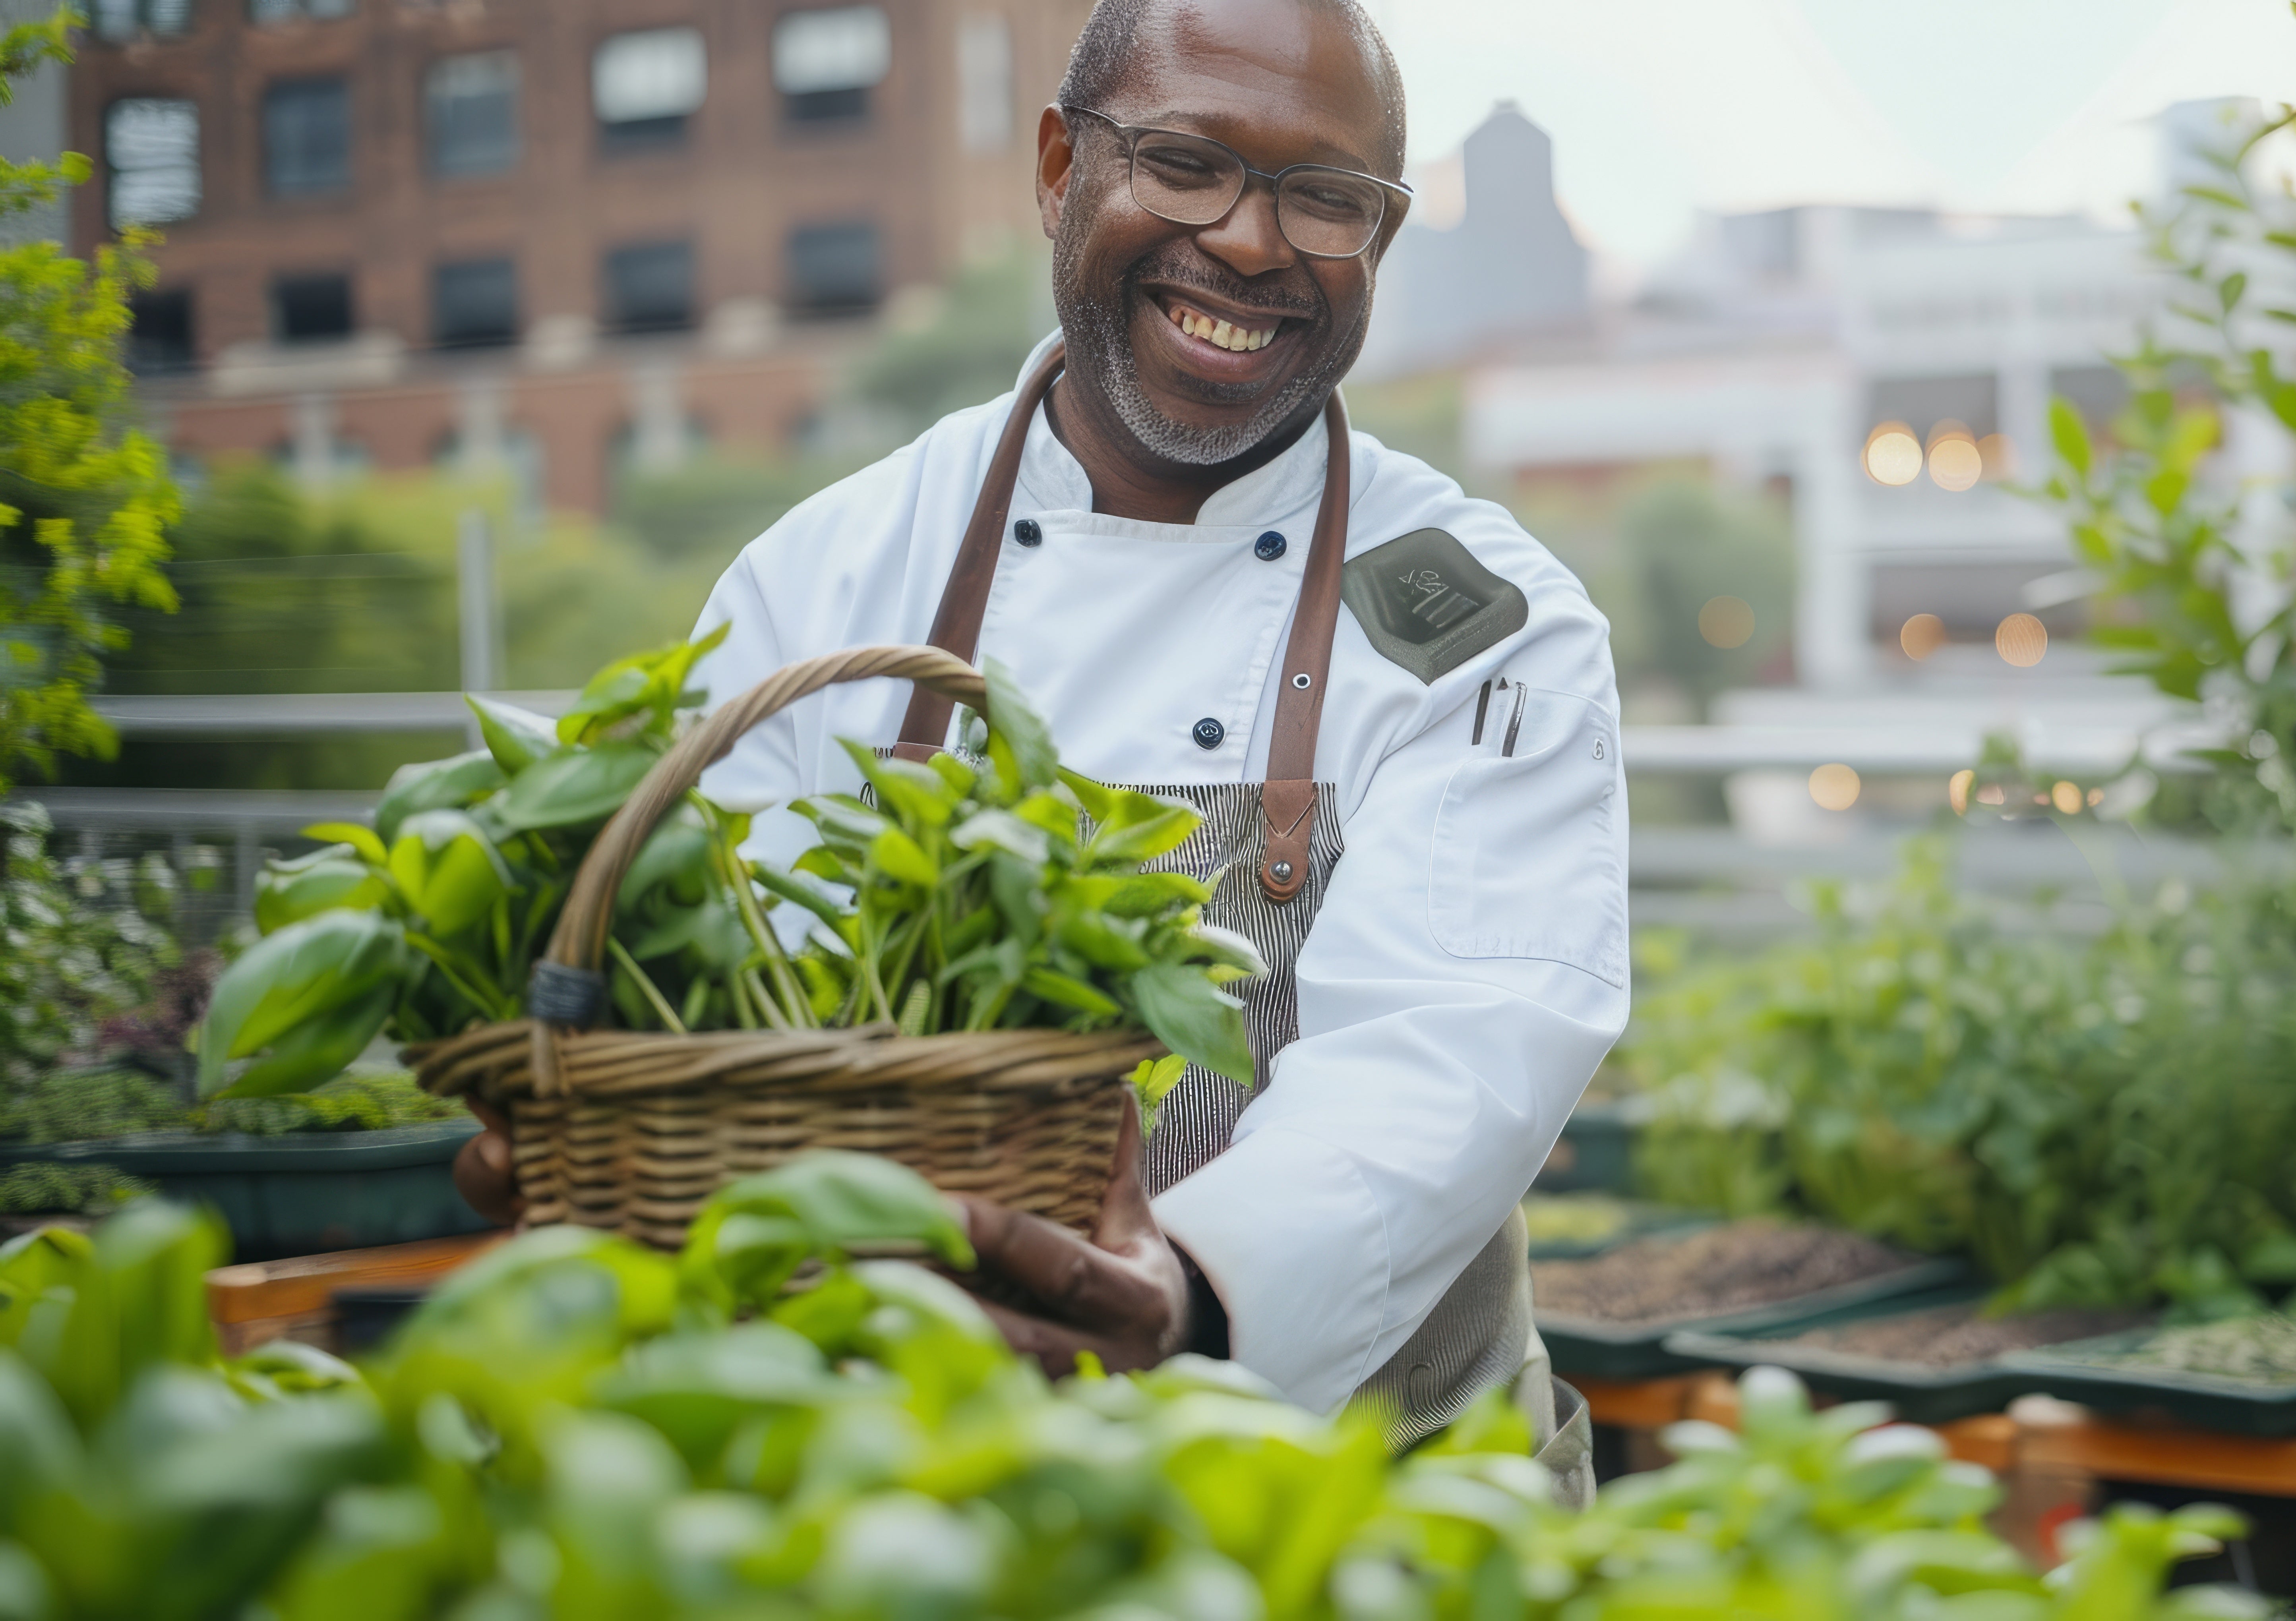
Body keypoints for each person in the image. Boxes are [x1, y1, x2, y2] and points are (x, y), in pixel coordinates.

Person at [453, 0, 1624, 1499]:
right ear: (1061, 164)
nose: (1255, 243)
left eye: (1326, 198)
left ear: (1379, 242)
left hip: (1382, 1501)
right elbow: (710, 993)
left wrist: (1194, 1292)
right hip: (923, 1499)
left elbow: (1455, 1055)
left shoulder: (1482, 620)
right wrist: (592, 1107)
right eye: (1188, 162)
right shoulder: (829, 574)